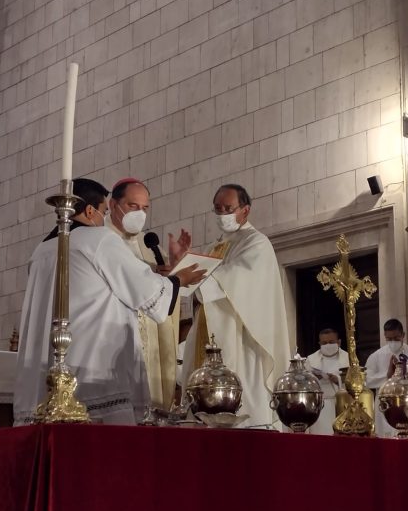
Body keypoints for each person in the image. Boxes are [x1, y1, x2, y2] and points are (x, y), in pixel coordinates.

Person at [13, 178, 204, 426]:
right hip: (92, 370)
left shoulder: (41, 251)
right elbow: (149, 294)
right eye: (103, 211)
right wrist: (180, 278)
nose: (103, 218)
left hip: (47, 373)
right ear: (90, 210)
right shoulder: (99, 239)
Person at [181, 184, 290, 428]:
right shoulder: (216, 246)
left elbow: (237, 279)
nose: (222, 215)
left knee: (245, 400)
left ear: (245, 210)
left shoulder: (257, 242)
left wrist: (192, 274)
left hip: (243, 336)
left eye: (228, 208)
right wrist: (183, 267)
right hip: (210, 333)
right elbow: (200, 290)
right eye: (217, 209)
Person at [106, 177, 184, 412]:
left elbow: (166, 303)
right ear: (112, 205)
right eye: (133, 206)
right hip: (116, 345)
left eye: (145, 208)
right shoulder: (101, 241)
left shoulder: (151, 247)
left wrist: (174, 271)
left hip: (149, 350)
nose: (140, 213)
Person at [365, 319, 408, 437]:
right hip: (386, 403)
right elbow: (367, 380)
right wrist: (387, 376)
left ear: (403, 335)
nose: (393, 342)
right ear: (385, 336)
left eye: (396, 338)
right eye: (389, 339)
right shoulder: (376, 356)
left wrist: (406, 376)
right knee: (386, 436)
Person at [305, 328, 349, 435]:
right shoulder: (311, 359)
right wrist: (315, 379)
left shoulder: (348, 358)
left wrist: (339, 380)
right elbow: (304, 383)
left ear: (339, 342)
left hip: (342, 405)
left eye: (331, 342)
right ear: (319, 343)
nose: (327, 345)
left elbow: (357, 381)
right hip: (320, 406)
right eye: (324, 343)